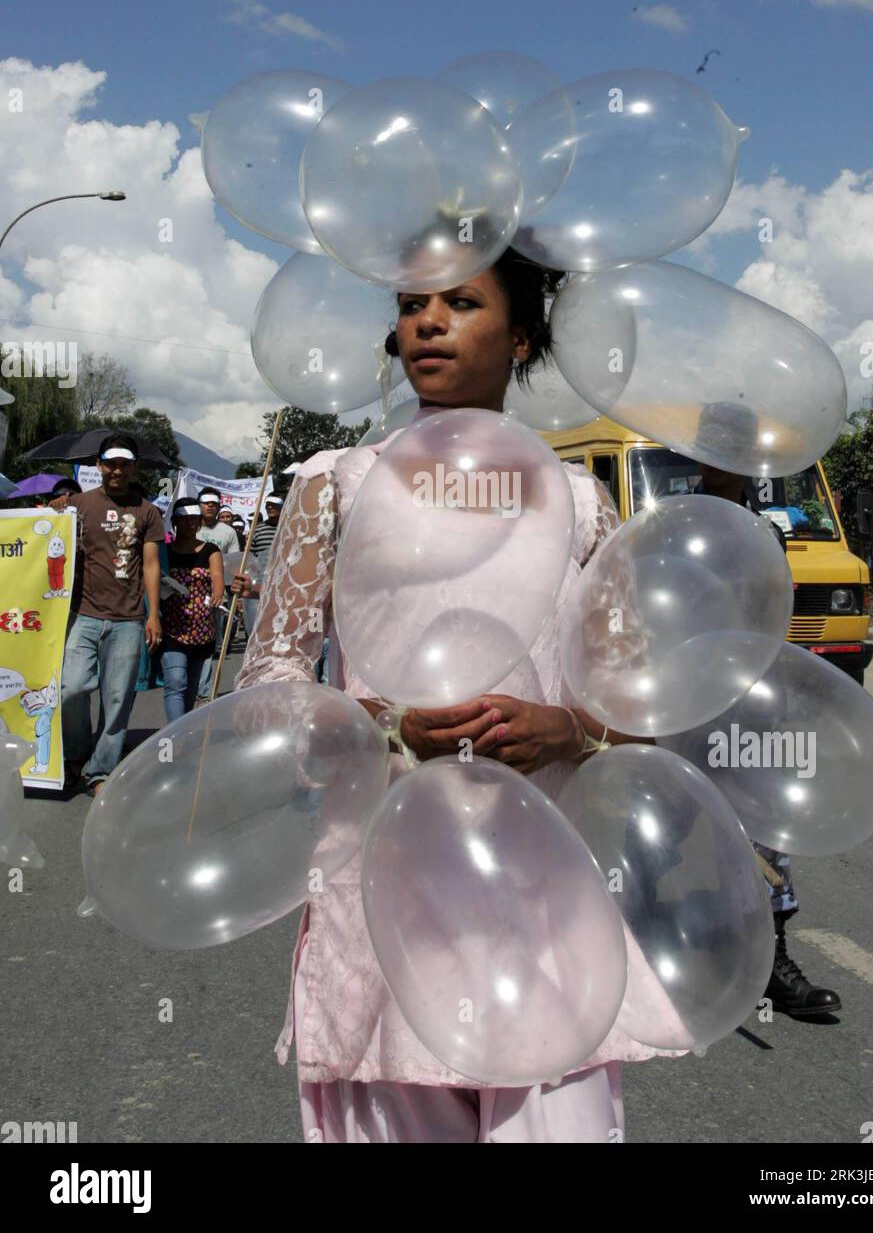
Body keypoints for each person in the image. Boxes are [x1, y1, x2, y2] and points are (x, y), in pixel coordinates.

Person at [236, 245, 680, 1145]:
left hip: (543, 890)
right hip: (388, 889)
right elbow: (269, 684)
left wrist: (567, 728)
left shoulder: (580, 501)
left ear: (521, 336)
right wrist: (393, 729)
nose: (427, 321)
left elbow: (638, 707)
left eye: (461, 303)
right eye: (410, 304)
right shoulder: (338, 484)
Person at [693, 459, 841, 1020]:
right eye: (713, 449)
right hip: (689, 699)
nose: (722, 461)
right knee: (674, 825)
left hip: (752, 698)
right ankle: (665, 943)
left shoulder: (767, 531)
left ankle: (772, 960)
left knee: (764, 827)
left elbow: (773, 613)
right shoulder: (678, 522)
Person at [61, 433, 164, 795]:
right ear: (99, 466)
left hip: (129, 619)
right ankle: (75, 756)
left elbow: (151, 565)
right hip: (84, 614)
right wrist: (53, 515)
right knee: (70, 689)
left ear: (134, 467)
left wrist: (153, 615)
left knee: (117, 698)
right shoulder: (77, 504)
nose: (117, 470)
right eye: (111, 463)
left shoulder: (148, 511)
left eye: (124, 464)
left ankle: (100, 770)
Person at [160, 499, 224, 721]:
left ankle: (183, 727)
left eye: (193, 520)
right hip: (172, 628)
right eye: (184, 519)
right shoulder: (165, 551)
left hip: (202, 630)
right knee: (176, 682)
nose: (189, 524)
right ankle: (173, 735)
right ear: (175, 521)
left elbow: (216, 576)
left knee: (191, 688)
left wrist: (217, 593)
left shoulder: (210, 550)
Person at [194, 487, 239, 701]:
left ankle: (206, 689)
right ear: (199, 504)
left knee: (213, 641)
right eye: (206, 502)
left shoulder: (228, 533)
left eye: (214, 502)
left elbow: (234, 562)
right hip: (192, 594)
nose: (210, 505)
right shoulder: (189, 526)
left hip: (219, 595)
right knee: (196, 642)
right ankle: (199, 686)